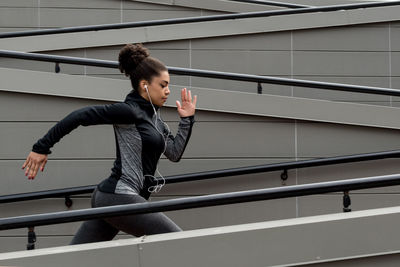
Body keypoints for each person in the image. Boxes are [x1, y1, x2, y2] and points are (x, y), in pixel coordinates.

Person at [21, 43, 197, 244]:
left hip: (114, 199)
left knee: (76, 258)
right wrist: (41, 147)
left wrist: (187, 120)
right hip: (117, 196)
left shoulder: (156, 120)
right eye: (163, 85)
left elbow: (174, 153)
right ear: (144, 85)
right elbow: (80, 116)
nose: (168, 91)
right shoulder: (128, 111)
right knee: (179, 241)